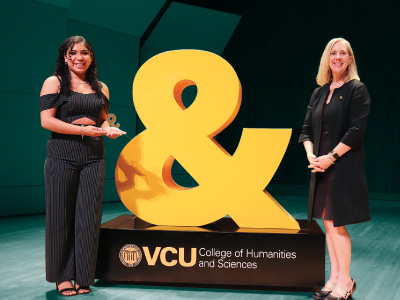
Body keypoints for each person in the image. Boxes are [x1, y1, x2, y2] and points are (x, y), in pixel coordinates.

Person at [39, 36, 125, 296]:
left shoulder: (101, 87)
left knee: (89, 217)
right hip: (61, 155)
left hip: (94, 157)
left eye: (84, 53)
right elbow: (47, 121)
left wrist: (109, 130)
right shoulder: (54, 82)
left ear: (91, 57)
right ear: (65, 57)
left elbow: (104, 121)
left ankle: (84, 275)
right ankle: (62, 276)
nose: (79, 57)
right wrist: (84, 131)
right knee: (60, 218)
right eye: (73, 53)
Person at [299, 38, 370, 300]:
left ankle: (345, 282)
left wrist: (330, 157)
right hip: (321, 165)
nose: (338, 57)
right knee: (328, 223)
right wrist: (312, 156)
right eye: (333, 53)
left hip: (343, 165)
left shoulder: (357, 89)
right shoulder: (319, 92)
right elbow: (306, 129)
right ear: (327, 59)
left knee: (337, 224)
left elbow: (356, 131)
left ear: (351, 59)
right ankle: (335, 278)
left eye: (343, 53)